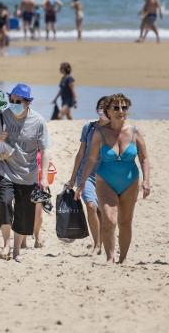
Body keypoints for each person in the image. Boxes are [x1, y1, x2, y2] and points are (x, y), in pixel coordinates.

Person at [75, 93, 150, 264]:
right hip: (105, 180)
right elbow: (91, 159)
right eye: (116, 107)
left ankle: (122, 259)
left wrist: (146, 181)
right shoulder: (99, 133)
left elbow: (144, 158)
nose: (121, 111)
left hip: (129, 182)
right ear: (108, 111)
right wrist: (82, 182)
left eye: (124, 107)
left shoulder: (134, 132)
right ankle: (110, 257)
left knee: (125, 221)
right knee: (109, 220)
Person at [0, 83, 50, 262]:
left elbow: (45, 150)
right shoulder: (2, 114)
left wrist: (43, 178)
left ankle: (17, 250)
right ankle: (6, 244)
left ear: (28, 102)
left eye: (18, 101)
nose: (13, 103)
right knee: (4, 202)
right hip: (5, 170)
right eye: (11, 99)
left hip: (28, 174)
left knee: (23, 213)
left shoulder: (39, 121)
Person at [66, 96, 109, 255]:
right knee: (91, 206)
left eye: (106, 107)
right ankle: (97, 244)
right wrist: (72, 178)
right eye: (100, 106)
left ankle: (104, 243)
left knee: (102, 212)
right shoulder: (89, 128)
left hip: (106, 176)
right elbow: (80, 153)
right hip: (86, 175)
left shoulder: (114, 130)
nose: (102, 110)